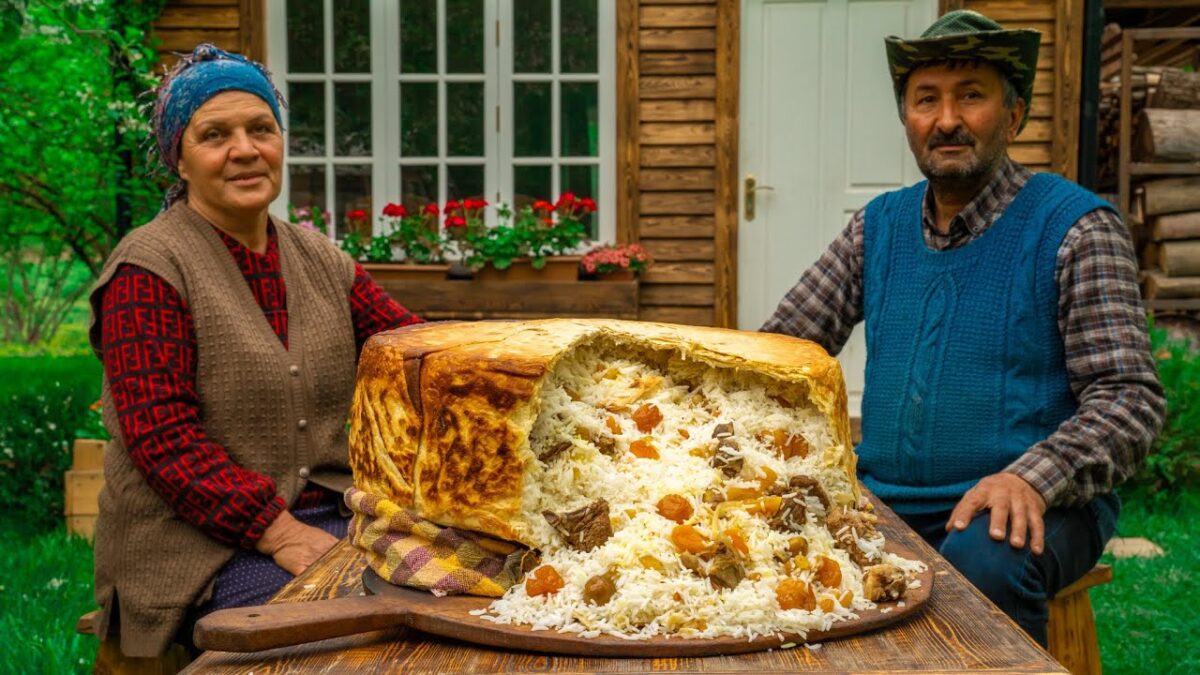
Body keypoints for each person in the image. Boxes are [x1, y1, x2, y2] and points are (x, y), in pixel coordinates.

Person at [761, 11, 1165, 646]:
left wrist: (1033, 476)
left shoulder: (1076, 228)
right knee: (759, 552)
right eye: (927, 100)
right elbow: (780, 351)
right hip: (886, 499)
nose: (946, 119)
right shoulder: (878, 227)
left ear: (1014, 114)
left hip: (1036, 503)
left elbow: (1129, 400)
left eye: (970, 95)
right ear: (907, 120)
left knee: (983, 564)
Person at [87, 44, 423, 665]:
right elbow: (164, 440)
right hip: (198, 545)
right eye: (215, 135)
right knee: (339, 630)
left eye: (260, 129)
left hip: (330, 518)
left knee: (460, 593)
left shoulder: (318, 258)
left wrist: (527, 362)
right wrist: (281, 532)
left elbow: (412, 354)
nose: (244, 150)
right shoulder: (149, 269)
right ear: (179, 160)